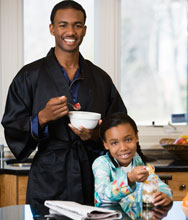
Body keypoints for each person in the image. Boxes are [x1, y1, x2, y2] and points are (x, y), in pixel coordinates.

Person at [1, 1, 127, 206]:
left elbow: (120, 127)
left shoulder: (100, 78)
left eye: (77, 25)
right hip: (48, 178)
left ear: (84, 30)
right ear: (52, 28)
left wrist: (96, 135)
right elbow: (12, 127)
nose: (71, 31)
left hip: (93, 176)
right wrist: (42, 118)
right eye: (63, 25)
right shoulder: (29, 76)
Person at [92, 112, 173, 206]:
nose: (123, 148)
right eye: (114, 143)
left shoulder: (137, 160)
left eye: (128, 140)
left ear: (137, 137)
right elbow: (101, 196)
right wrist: (129, 179)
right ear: (106, 144)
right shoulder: (102, 164)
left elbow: (158, 184)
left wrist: (165, 194)